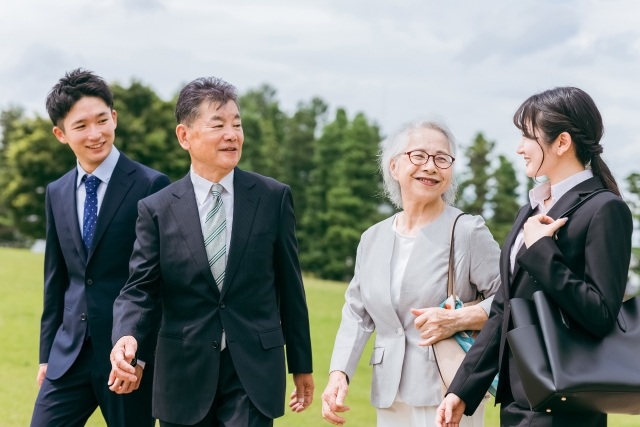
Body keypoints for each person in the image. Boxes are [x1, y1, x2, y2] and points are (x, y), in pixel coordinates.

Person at [108, 77, 314, 427]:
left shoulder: (272, 198)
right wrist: (126, 335)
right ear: (184, 136)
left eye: (237, 124)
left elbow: (290, 286)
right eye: (218, 125)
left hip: (252, 369)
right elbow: (140, 288)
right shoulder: (156, 209)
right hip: (182, 373)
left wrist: (301, 364)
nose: (232, 134)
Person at [436, 87, 633, 427]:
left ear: (562, 142)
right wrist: (462, 390)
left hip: (566, 406)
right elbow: (504, 308)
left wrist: (542, 251)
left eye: (528, 136)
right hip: (517, 403)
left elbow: (601, 313)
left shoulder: (605, 209)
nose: (519, 147)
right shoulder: (531, 209)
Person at [321, 118, 501, 427]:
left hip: (450, 391)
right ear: (394, 167)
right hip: (389, 393)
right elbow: (357, 313)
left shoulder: (468, 231)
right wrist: (339, 372)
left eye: (441, 158)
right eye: (418, 155)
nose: (430, 166)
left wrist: (457, 319)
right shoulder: (372, 238)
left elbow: (510, 298)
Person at [31, 69, 170, 427]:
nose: (95, 134)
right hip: (68, 355)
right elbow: (56, 280)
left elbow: (158, 282)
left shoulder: (151, 184)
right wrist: (47, 354)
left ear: (115, 118)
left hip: (125, 358)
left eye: (102, 120)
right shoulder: (56, 191)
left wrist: (138, 357)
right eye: (81, 126)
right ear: (61, 134)